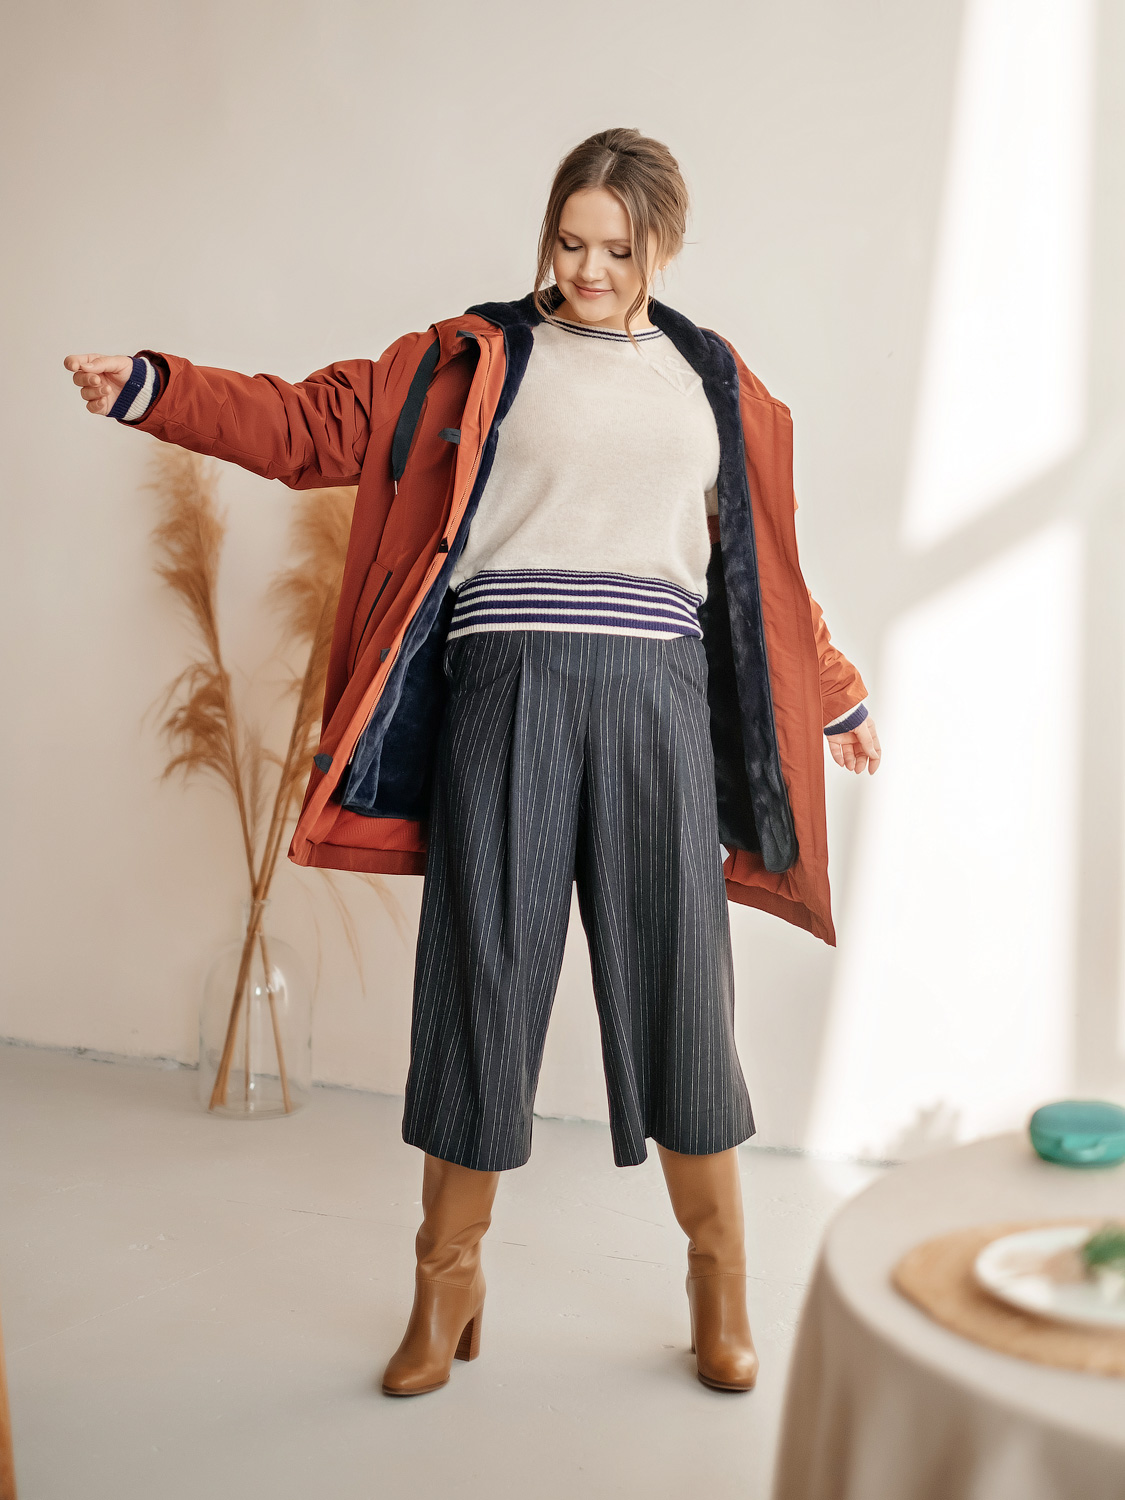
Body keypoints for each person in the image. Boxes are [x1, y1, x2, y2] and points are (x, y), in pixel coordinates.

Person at [64, 127, 880, 1399]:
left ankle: (718, 1285)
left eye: (619, 250)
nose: (590, 270)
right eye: (570, 241)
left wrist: (831, 695)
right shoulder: (472, 360)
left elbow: (763, 568)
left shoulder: (713, 381)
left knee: (680, 989)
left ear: (665, 247)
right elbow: (305, 423)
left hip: (658, 706)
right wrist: (153, 387)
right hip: (504, 696)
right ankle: (445, 1287)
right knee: (479, 983)